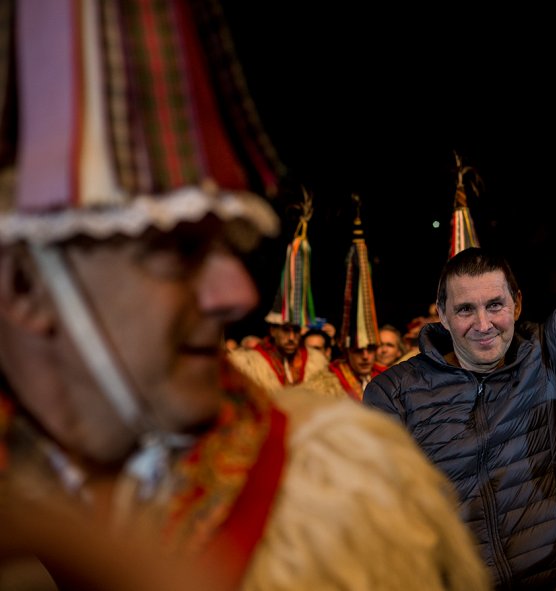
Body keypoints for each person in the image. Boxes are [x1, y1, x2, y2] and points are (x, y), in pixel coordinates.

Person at [0, 2, 488, 589]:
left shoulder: (323, 509)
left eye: (228, 247)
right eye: (176, 251)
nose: (238, 292)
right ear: (26, 287)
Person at [364, 130, 556, 589]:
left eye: (495, 305)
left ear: (516, 304)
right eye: (465, 309)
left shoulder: (544, 357)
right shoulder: (393, 393)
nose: (483, 323)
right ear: (443, 316)